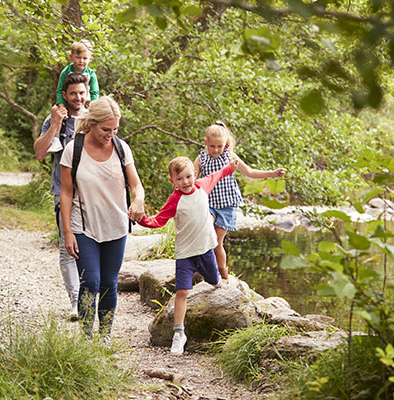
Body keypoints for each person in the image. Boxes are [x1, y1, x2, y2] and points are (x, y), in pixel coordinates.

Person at [59, 96, 145, 338]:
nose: (111, 134)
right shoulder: (73, 150)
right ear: (92, 124)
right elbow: (66, 193)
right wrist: (67, 232)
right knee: (91, 282)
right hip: (83, 227)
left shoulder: (121, 148)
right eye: (106, 129)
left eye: (115, 129)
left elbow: (136, 186)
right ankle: (87, 339)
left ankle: (104, 336)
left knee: (109, 283)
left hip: (116, 226)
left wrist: (138, 200)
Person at [138, 156, 239, 355]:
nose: (185, 182)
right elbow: (158, 220)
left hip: (206, 250)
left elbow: (217, 175)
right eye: (180, 179)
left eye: (188, 176)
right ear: (172, 181)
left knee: (214, 282)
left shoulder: (202, 186)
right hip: (185, 254)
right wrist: (140, 219)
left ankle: (219, 279)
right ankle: (179, 333)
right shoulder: (175, 200)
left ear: (194, 175)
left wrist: (230, 167)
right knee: (182, 292)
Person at [194, 121, 286, 284]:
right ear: (205, 142)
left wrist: (272, 173)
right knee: (206, 235)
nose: (216, 150)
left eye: (219, 146)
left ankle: (223, 275)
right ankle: (204, 268)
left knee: (216, 242)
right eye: (212, 146)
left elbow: (250, 172)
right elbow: (192, 179)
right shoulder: (200, 159)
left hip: (227, 206)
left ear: (226, 144)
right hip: (208, 204)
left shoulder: (230, 157)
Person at [34, 72, 90, 321]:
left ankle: (91, 295)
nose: (78, 97)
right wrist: (55, 124)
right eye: (73, 93)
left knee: (91, 245)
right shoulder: (55, 118)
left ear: (87, 94)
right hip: (62, 191)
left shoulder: (94, 118)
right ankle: (76, 302)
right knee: (67, 248)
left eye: (81, 93)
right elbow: (39, 153)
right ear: (65, 95)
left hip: (91, 193)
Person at [55, 40, 99, 108]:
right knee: (55, 110)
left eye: (84, 58)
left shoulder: (91, 74)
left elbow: (95, 92)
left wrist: (94, 107)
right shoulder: (66, 72)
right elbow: (60, 90)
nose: (81, 61)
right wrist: (61, 105)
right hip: (69, 103)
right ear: (71, 57)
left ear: (90, 59)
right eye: (78, 57)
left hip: (86, 103)